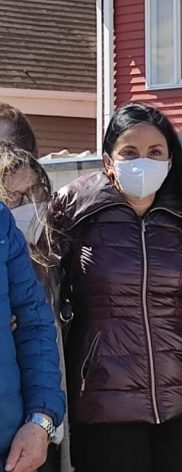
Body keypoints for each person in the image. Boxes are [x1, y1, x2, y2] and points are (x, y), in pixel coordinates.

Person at [48, 103, 182, 472]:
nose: (143, 161)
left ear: (170, 161)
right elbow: (46, 289)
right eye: (130, 152)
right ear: (108, 160)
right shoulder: (75, 207)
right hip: (103, 402)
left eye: (155, 152)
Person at [0, 142, 69, 472]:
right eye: (15, 197)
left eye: (35, 192)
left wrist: (41, 419)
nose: (29, 205)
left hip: (13, 449)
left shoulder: (3, 225)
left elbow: (34, 325)